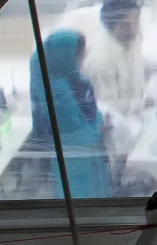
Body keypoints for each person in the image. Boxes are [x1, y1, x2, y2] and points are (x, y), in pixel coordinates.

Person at [28, 30, 110, 199]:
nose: (80, 61)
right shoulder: (55, 93)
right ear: (63, 57)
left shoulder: (72, 79)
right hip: (75, 162)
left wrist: (99, 121)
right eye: (78, 56)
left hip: (87, 157)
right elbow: (75, 135)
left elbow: (90, 109)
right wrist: (99, 128)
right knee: (84, 202)